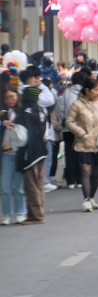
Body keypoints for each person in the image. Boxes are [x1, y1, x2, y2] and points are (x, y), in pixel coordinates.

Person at [65, 78, 98, 212]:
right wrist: (81, 133)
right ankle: (86, 200)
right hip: (83, 144)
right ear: (87, 90)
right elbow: (69, 122)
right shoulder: (77, 105)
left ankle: (92, 197)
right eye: (96, 90)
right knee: (86, 171)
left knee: (96, 173)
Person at [12, 86, 48, 224]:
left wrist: (13, 131)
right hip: (41, 150)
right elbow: (45, 132)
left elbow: (21, 137)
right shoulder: (41, 110)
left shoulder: (24, 112)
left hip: (29, 153)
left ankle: (36, 216)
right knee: (39, 185)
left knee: (31, 185)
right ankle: (39, 212)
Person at [57, 71, 87, 189]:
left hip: (67, 128)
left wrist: (64, 121)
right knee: (80, 154)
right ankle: (80, 180)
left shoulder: (66, 93)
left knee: (69, 155)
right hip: (81, 128)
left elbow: (61, 110)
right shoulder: (85, 92)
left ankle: (70, 180)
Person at [0, 86, 26, 224]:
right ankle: (6, 214)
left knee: (19, 186)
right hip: (6, 153)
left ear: (17, 96)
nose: (9, 100)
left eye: (12, 97)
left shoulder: (22, 112)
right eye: (7, 98)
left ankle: (20, 212)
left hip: (19, 152)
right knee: (5, 187)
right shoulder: (3, 113)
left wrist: (16, 126)